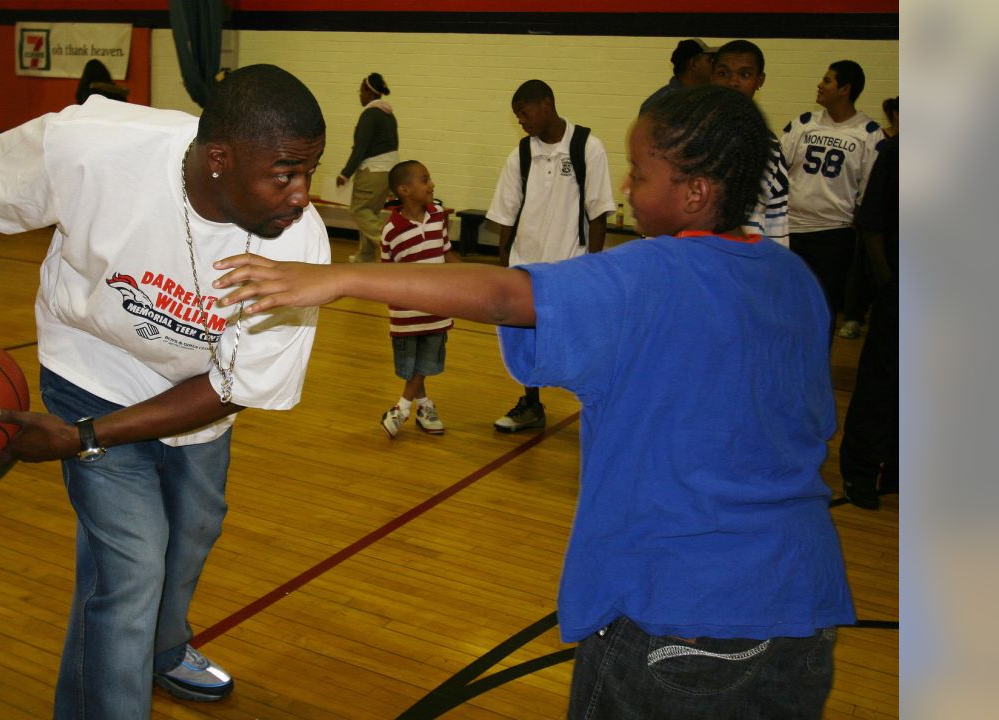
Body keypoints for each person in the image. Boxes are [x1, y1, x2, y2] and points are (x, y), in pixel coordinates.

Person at [212, 85, 854, 719]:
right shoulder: (792, 278)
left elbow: (503, 296)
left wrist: (342, 277)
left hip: (679, 612)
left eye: (642, 172)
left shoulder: (651, 274)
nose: (627, 187)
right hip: (804, 600)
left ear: (695, 192)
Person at [0, 64, 329, 720]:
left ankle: (165, 649)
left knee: (195, 531)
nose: (300, 195)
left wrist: (81, 442)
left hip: (196, 396)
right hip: (90, 367)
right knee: (132, 565)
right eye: (285, 173)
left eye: (309, 171)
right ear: (221, 159)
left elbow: (234, 385)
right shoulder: (98, 145)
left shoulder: (301, 247)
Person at [485, 79, 615, 432]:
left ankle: (601, 405)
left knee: (582, 341)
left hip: (571, 267)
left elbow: (598, 212)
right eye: (516, 116)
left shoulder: (588, 148)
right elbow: (506, 215)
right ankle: (531, 404)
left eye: (524, 113)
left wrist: (594, 268)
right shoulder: (521, 155)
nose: (521, 121)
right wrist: (504, 267)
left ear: (546, 104)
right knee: (526, 340)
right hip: (526, 266)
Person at [781, 60, 884, 338]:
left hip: (834, 235)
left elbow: (870, 191)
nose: (820, 85)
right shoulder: (803, 124)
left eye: (827, 80)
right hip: (791, 229)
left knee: (823, 309)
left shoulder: (869, 133)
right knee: (785, 307)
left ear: (845, 89)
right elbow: (778, 173)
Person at [377, 160, 461, 438]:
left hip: (437, 309)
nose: (431, 184)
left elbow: (447, 252)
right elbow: (386, 275)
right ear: (404, 190)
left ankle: (401, 409)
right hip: (406, 315)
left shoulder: (437, 216)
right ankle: (423, 406)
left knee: (426, 362)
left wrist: (471, 277)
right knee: (412, 366)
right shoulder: (392, 231)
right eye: (424, 180)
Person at [841, 132, 898, 509]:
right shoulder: (897, 151)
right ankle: (859, 470)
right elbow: (872, 223)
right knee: (881, 380)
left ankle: (897, 468)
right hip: (900, 285)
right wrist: (887, 285)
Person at [711, 39, 790, 246]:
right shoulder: (687, 137)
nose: (733, 83)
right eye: (724, 73)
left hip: (744, 262)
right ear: (712, 76)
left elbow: (777, 220)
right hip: (689, 262)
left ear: (759, 80)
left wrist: (773, 272)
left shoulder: (769, 147)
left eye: (744, 74)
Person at [838, 95, 900, 339]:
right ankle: (854, 315)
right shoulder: (888, 145)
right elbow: (873, 215)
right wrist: (887, 282)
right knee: (862, 267)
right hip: (877, 228)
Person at [336, 72, 399, 263]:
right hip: (388, 172)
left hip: (372, 171)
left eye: (361, 90)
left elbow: (360, 148)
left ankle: (392, 244)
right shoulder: (389, 115)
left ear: (367, 91)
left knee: (359, 210)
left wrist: (345, 173)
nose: (359, 95)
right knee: (370, 213)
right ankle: (366, 256)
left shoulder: (370, 115)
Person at [639, 38, 715, 114]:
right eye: (710, 60)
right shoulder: (664, 103)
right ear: (694, 64)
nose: (715, 66)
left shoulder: (697, 96)